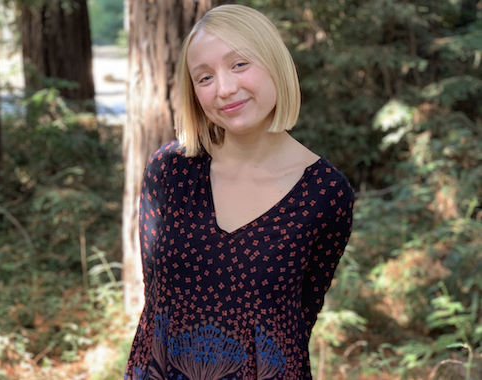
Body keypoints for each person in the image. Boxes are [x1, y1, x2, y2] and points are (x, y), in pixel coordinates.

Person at [124, 4, 354, 380]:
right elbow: (156, 305)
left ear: (275, 63)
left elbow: (299, 319)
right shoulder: (170, 170)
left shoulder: (326, 194)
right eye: (204, 78)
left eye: (240, 64)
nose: (225, 89)